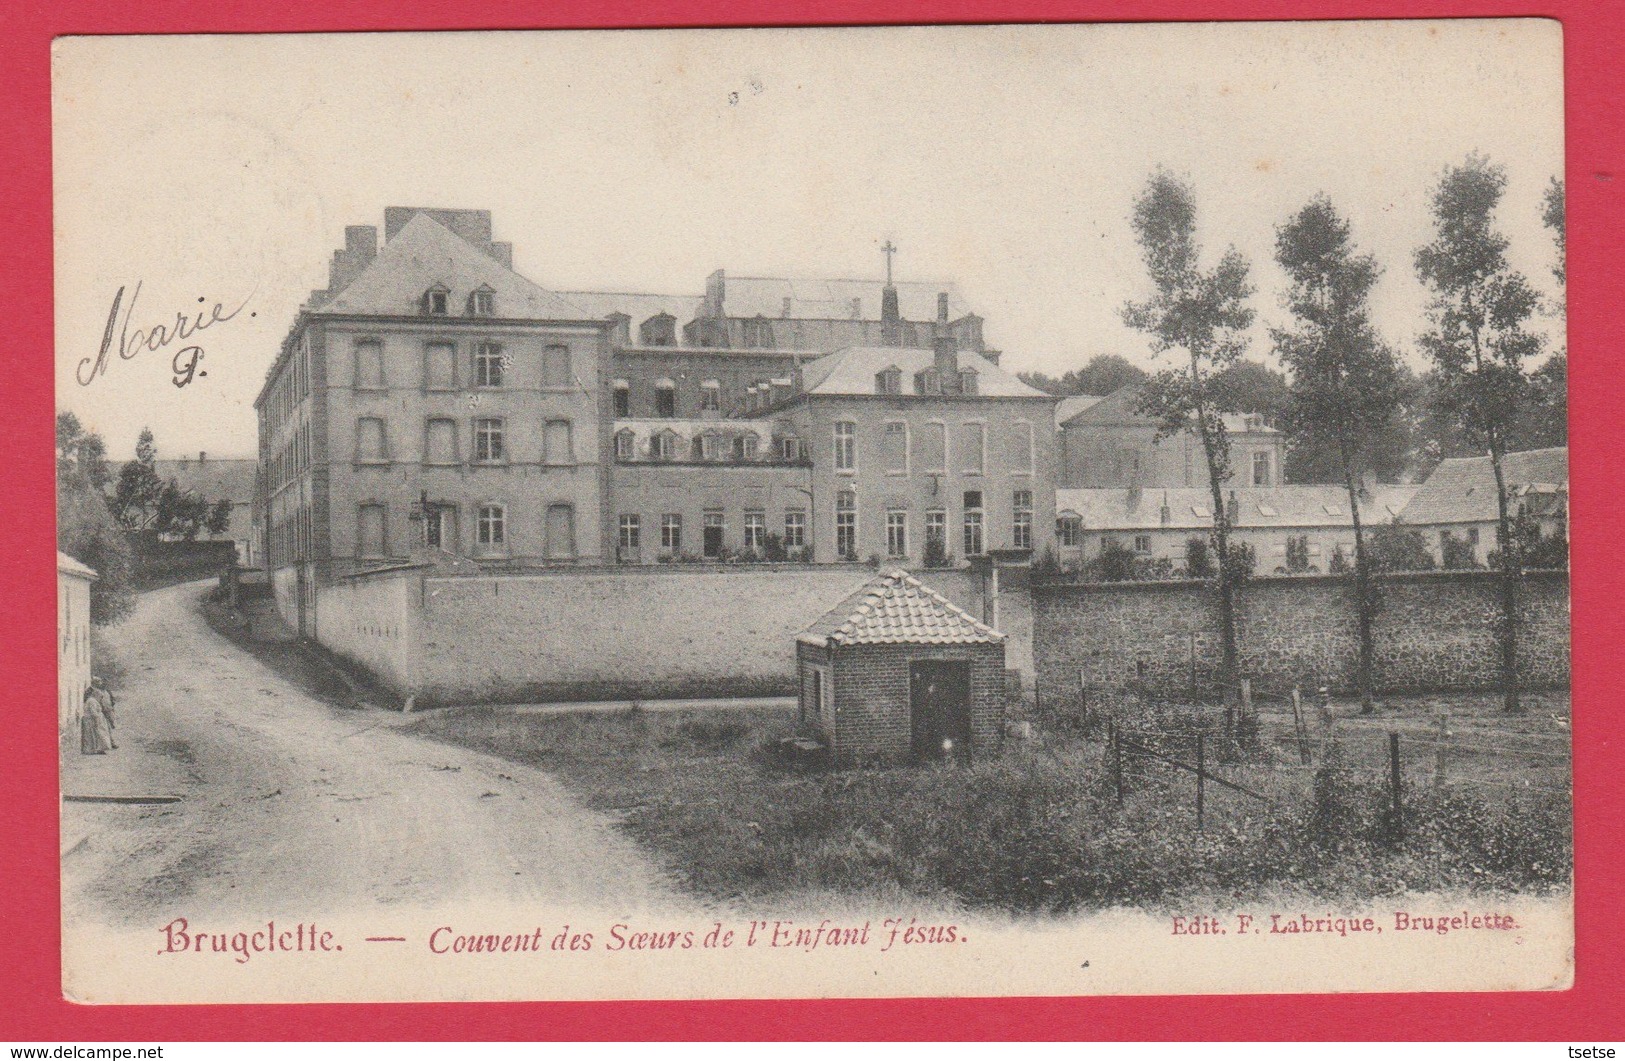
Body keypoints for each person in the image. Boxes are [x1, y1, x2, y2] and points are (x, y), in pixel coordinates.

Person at [80, 684, 112, 755]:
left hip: (93, 719)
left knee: (95, 735)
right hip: (90, 720)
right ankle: (90, 750)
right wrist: (97, 718)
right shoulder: (92, 701)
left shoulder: (93, 701)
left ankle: (96, 749)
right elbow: (93, 711)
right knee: (91, 735)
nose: (100, 698)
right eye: (100, 697)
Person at [90, 676, 118, 749]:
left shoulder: (107, 691)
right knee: (105, 728)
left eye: (105, 684)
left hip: (109, 711)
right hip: (102, 712)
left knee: (110, 727)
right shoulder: (96, 692)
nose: (103, 684)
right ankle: (110, 743)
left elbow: (112, 700)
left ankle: (110, 742)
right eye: (101, 683)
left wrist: (111, 708)